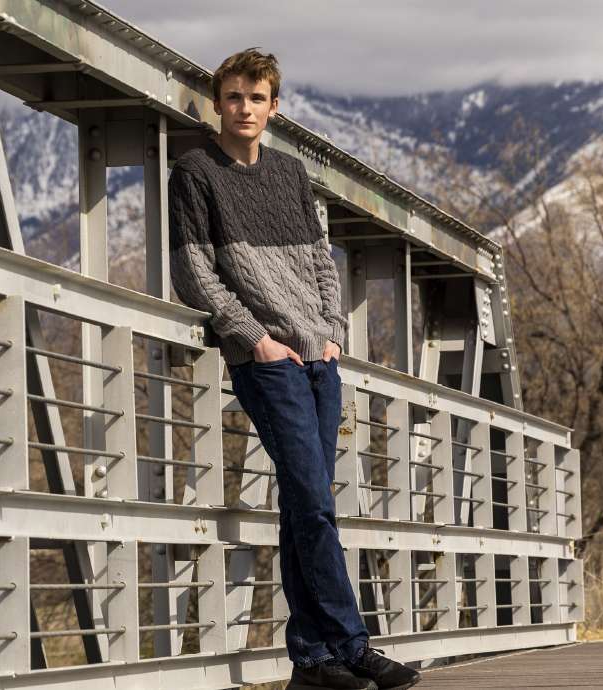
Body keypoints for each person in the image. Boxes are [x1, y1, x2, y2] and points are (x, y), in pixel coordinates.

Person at [168, 48, 421, 690]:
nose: (244, 108)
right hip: (268, 359)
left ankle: (312, 661)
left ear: (274, 107)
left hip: (317, 356)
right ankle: (352, 645)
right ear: (216, 103)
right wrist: (254, 338)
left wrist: (331, 332)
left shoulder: (290, 173)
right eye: (232, 97)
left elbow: (320, 263)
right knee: (313, 501)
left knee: (307, 507)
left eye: (256, 98)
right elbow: (196, 271)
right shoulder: (195, 172)